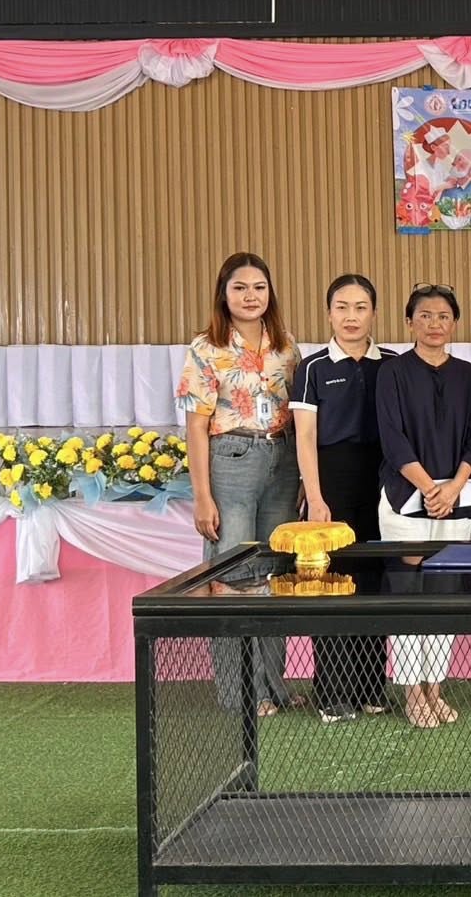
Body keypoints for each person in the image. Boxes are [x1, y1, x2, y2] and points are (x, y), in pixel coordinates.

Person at [175, 251, 304, 718]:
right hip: (231, 459)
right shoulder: (206, 348)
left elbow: (301, 415)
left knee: (274, 572)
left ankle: (274, 685)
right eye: (240, 288)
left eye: (259, 287)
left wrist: (304, 476)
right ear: (224, 293)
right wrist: (202, 496)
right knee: (233, 574)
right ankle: (240, 692)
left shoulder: (286, 346)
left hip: (283, 459)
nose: (251, 296)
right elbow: (195, 426)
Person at [376, 283, 471, 729]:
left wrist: (453, 487)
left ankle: (435, 688)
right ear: (409, 322)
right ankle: (412, 693)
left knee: (444, 593)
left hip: (455, 499)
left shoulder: (467, 375)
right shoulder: (393, 372)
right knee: (408, 593)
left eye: (443, 316)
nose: (434, 324)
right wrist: (428, 488)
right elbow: (393, 438)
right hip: (405, 497)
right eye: (425, 315)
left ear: (454, 323)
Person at [291, 274, 395, 724]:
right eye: (342, 307)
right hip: (331, 482)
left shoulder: (392, 364)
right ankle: (332, 692)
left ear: (374, 313)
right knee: (332, 582)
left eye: (360, 307)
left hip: (383, 483)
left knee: (373, 583)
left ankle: (372, 688)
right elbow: (305, 437)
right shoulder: (312, 368)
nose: (351, 317)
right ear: (328, 313)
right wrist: (315, 497)